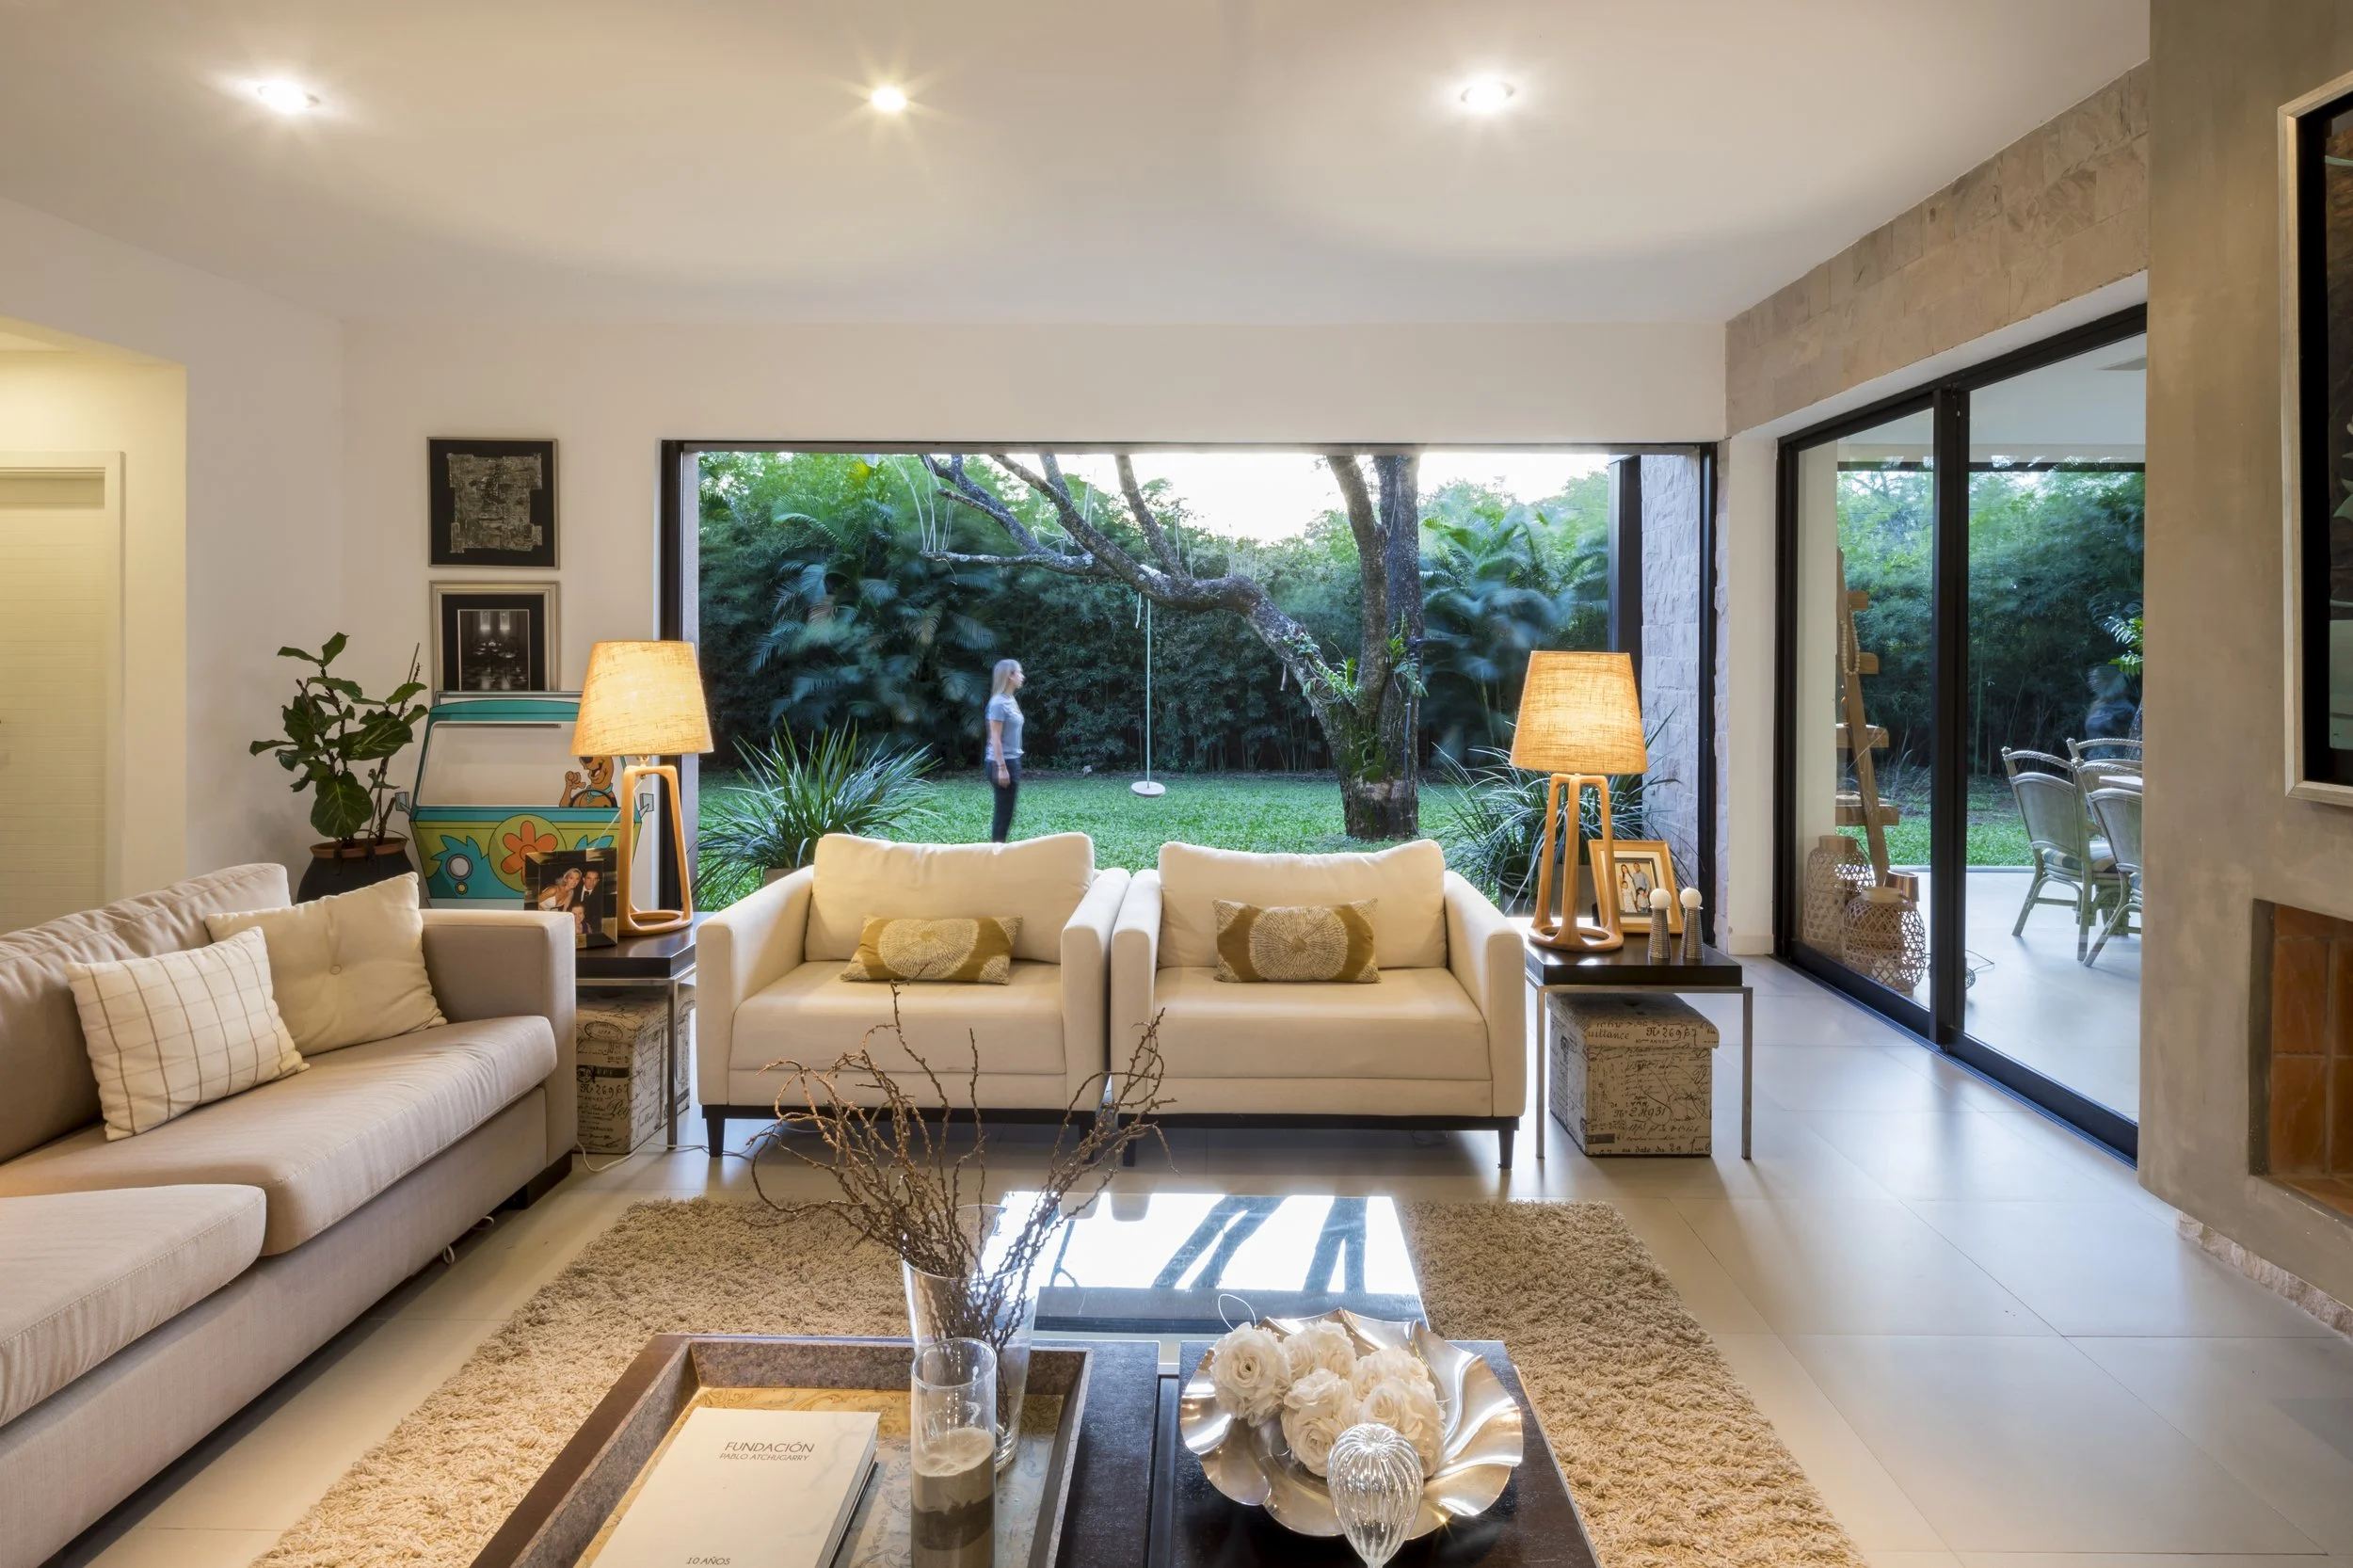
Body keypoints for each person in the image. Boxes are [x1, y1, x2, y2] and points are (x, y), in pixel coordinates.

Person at [984, 658, 1025, 843]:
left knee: (1007, 811)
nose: (1022, 676)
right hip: (1001, 762)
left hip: (1012, 760)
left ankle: (999, 851)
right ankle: (996, 853)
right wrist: (1001, 767)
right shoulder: (998, 703)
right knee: (1003, 812)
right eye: (1019, 672)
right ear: (1010, 676)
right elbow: (995, 738)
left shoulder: (1010, 700)